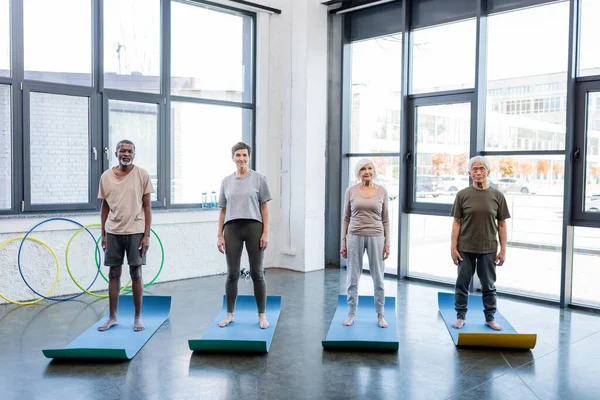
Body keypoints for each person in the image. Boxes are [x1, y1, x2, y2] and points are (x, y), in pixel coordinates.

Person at [97, 140, 154, 332]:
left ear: (134, 154)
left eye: (129, 151)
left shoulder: (142, 175)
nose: (126, 153)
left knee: (136, 273)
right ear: (116, 153)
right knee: (113, 273)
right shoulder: (106, 177)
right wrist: (103, 234)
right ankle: (113, 317)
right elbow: (104, 207)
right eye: (122, 150)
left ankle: (138, 317)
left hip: (136, 231)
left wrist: (147, 235)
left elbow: (147, 207)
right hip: (113, 231)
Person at [450, 156, 510, 331]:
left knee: (488, 285)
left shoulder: (498, 196)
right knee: (462, 283)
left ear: (488, 172)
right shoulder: (462, 195)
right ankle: (460, 317)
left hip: (489, 248)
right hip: (465, 248)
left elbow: (502, 224)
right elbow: (456, 223)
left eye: (481, 169)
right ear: (469, 173)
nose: (478, 172)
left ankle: (490, 318)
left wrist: (503, 250)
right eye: (474, 169)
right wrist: (453, 247)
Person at [217, 142, 272, 329]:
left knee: (257, 273)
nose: (241, 158)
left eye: (245, 155)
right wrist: (220, 235)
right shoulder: (226, 181)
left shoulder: (259, 178)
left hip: (253, 227)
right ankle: (230, 313)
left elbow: (264, 207)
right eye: (238, 155)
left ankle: (262, 315)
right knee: (232, 273)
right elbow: (223, 210)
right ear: (232, 157)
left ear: (249, 157)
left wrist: (265, 232)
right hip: (231, 228)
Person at [340, 158, 390, 328]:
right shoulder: (351, 191)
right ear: (358, 172)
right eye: (363, 169)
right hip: (354, 236)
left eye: (369, 168)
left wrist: (387, 244)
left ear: (373, 171)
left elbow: (386, 220)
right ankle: (351, 313)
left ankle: (381, 314)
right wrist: (343, 242)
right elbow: (346, 218)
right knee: (352, 278)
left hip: (376, 236)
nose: (367, 171)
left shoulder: (382, 191)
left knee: (379, 278)